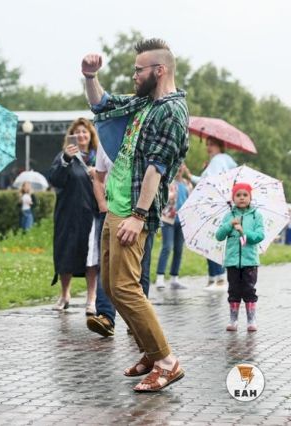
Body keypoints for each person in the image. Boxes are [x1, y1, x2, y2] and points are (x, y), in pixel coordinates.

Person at [82, 38, 188, 392]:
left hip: (133, 211)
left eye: (139, 70)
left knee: (127, 288)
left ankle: (167, 362)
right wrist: (90, 77)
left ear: (159, 70)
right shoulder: (144, 102)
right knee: (113, 288)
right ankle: (149, 351)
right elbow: (102, 104)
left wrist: (139, 216)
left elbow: (157, 168)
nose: (134, 75)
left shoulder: (171, 112)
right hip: (116, 206)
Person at [86, 132, 156, 337]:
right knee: (107, 266)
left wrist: (141, 213)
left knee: (140, 268)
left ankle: (137, 322)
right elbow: (98, 178)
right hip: (111, 212)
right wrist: (103, 206)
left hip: (139, 213)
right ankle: (106, 316)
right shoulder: (105, 139)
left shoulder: (145, 136)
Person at [48, 117, 99, 314]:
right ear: (72, 136)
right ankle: (65, 294)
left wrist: (99, 175)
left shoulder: (98, 157)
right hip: (68, 214)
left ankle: (91, 298)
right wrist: (66, 160)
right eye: (77, 132)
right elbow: (55, 179)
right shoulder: (64, 156)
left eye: (84, 131)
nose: (81, 135)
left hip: (91, 214)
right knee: (66, 253)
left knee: (91, 256)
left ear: (91, 135)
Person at [183, 137, 237, 288]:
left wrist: (191, 176)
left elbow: (208, 182)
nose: (208, 147)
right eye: (207, 144)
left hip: (215, 206)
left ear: (220, 145)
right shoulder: (224, 160)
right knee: (211, 240)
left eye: (212, 144)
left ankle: (219, 278)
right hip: (220, 206)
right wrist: (204, 170)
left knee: (211, 241)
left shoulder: (218, 160)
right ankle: (214, 278)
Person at [215, 183, 264, 332]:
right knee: (234, 290)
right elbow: (219, 236)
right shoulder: (229, 216)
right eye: (238, 195)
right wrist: (229, 225)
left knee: (249, 290)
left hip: (250, 261)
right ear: (233, 198)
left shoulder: (256, 215)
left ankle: (251, 320)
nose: (242, 198)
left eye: (245, 195)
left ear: (250, 197)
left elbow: (259, 236)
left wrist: (243, 231)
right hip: (232, 261)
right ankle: (233, 319)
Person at [154, 164, 192, 290]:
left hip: (182, 221)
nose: (179, 169)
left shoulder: (187, 184)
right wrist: (169, 196)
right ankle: (160, 277)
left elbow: (191, 200)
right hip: (168, 219)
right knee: (167, 246)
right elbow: (162, 197)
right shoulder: (168, 182)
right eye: (177, 167)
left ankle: (174, 279)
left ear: (184, 169)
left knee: (179, 249)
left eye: (181, 167)